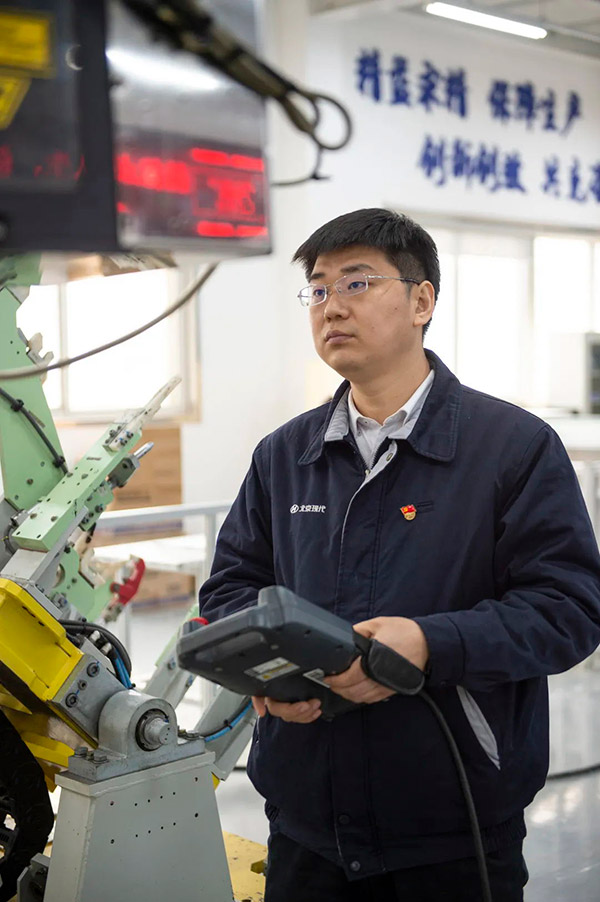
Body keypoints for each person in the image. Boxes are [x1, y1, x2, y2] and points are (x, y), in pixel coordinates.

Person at [199, 208, 600, 901]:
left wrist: (430, 643)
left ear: (422, 302)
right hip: (306, 825)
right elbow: (232, 588)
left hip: (455, 831)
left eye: (357, 283)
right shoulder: (284, 456)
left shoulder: (513, 448)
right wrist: (270, 672)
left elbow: (568, 610)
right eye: (318, 289)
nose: (332, 307)